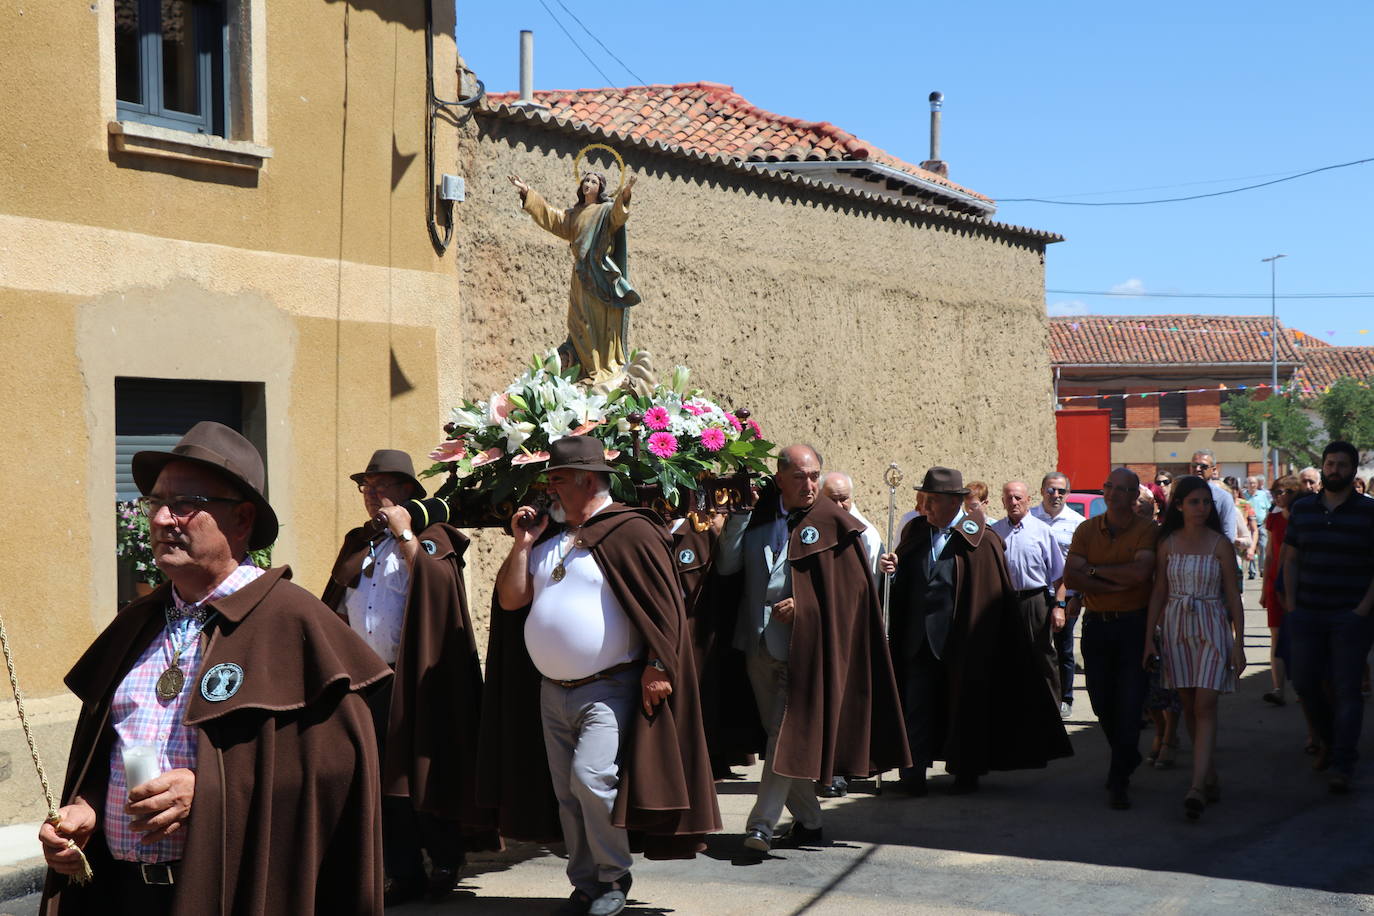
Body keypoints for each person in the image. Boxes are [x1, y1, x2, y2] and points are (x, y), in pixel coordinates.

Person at [39, 422, 389, 916]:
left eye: (185, 503)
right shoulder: (137, 624)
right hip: (122, 892)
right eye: (155, 503)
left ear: (242, 519)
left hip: (230, 889)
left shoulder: (293, 620)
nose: (162, 518)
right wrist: (86, 808)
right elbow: (107, 753)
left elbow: (336, 776)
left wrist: (211, 792)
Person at [486, 435, 719, 915]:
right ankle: (586, 880)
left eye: (557, 480)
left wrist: (659, 664)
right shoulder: (551, 541)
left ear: (588, 480)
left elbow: (664, 608)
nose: (549, 490)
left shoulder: (630, 531)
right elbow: (511, 600)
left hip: (609, 687)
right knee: (566, 791)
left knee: (592, 779)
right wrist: (522, 543)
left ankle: (613, 877)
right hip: (552, 690)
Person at [715, 445, 909, 853]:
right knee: (777, 737)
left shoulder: (833, 521)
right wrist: (737, 518)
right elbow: (729, 568)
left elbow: (852, 591)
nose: (809, 484)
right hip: (756, 645)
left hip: (803, 652)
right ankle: (810, 820)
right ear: (780, 478)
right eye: (800, 476)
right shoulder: (760, 517)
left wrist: (807, 605)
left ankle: (761, 826)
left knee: (783, 740)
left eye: (814, 475)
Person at [321, 449, 490, 905]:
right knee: (382, 783)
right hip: (366, 680)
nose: (372, 495)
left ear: (409, 493)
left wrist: (405, 535)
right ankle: (402, 871)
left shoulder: (433, 536)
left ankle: (447, 860)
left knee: (423, 774)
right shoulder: (359, 540)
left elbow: (435, 589)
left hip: (418, 678)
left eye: (383, 486)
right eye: (366, 487)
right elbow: (337, 603)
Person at [880, 467, 1070, 797]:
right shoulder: (914, 531)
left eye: (932, 500)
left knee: (964, 708)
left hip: (962, 640)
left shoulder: (979, 537)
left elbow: (988, 589)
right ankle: (913, 774)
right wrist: (891, 573)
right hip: (919, 639)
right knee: (917, 706)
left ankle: (966, 771)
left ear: (952, 502)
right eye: (925, 499)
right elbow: (903, 584)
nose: (925, 505)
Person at [1143, 476, 1247, 819]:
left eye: (1206, 502)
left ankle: (1197, 787)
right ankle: (1209, 775)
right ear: (1179, 506)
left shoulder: (1220, 544)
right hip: (1175, 628)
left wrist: (1239, 644)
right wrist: (1148, 639)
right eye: (1194, 502)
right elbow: (1158, 591)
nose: (1202, 508)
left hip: (1212, 627)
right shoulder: (1168, 543)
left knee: (1205, 705)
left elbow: (1233, 595)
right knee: (1187, 705)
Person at [1282, 441, 1374, 794]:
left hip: (1351, 617)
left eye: (1341, 464)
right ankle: (1332, 741)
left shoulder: (1369, 512)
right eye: (1329, 463)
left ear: (1354, 470)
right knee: (1305, 683)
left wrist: (1362, 610)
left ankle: (1343, 762)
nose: (1334, 469)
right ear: (1322, 466)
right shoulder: (1303, 509)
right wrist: (1291, 606)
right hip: (1307, 613)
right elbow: (1289, 560)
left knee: (1347, 688)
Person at [1064, 467, 1159, 810]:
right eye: (1109, 487)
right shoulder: (1087, 529)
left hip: (1134, 627)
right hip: (1097, 626)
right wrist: (1115, 581)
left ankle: (1119, 778)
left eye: (1122, 489)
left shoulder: (1148, 530)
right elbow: (1070, 573)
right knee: (1102, 700)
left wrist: (1093, 572)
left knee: (1131, 703)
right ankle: (1127, 754)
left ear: (1135, 496)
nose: (1114, 493)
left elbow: (1141, 574)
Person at [508, 171, 641, 383]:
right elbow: (552, 218)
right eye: (586, 180)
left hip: (598, 274)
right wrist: (527, 193)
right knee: (577, 322)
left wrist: (625, 193)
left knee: (594, 321)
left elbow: (618, 215)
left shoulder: (604, 210)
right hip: (580, 275)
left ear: (600, 188)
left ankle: (598, 367)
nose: (588, 184)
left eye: (593, 181)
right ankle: (584, 368)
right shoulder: (574, 215)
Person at [991, 481, 1066, 702]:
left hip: (1035, 601)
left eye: (1018, 498)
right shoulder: (995, 532)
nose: (1013, 502)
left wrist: (1059, 607)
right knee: (1008, 656)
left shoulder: (1043, 532)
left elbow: (1060, 577)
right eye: (1009, 498)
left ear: (1028, 500)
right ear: (1003, 501)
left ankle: (1052, 707)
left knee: (1042, 655)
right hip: (1004, 601)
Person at [1031, 472, 1084, 719]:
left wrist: (1078, 597)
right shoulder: (1030, 518)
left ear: (1067, 494)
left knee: (1064, 650)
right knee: (1039, 648)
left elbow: (1084, 562)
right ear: (1042, 490)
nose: (1056, 495)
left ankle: (1065, 697)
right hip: (1036, 594)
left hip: (1068, 594)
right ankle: (1040, 695)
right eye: (1051, 490)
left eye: (1061, 491)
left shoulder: (1076, 522)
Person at [1259, 475, 1300, 707]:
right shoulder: (1273, 519)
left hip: (1296, 584)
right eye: (1276, 492)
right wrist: (1265, 589)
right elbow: (1269, 555)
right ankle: (1278, 688)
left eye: (1284, 491)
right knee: (1275, 636)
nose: (1278, 496)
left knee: (1298, 637)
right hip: (1275, 583)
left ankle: (1301, 688)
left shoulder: (1302, 518)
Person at [821, 471, 884, 578]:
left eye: (843, 499)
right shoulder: (812, 526)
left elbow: (872, 581)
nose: (838, 506)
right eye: (832, 500)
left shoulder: (867, 535)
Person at [1243, 476, 1273, 579]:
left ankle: (1262, 569)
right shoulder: (1244, 495)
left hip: (1261, 525)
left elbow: (1268, 508)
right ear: (1246, 484)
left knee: (1263, 547)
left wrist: (1266, 521)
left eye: (1254, 483)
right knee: (1251, 548)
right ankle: (1252, 571)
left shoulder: (1262, 495)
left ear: (1257, 484)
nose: (1252, 485)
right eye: (1250, 483)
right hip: (1248, 526)